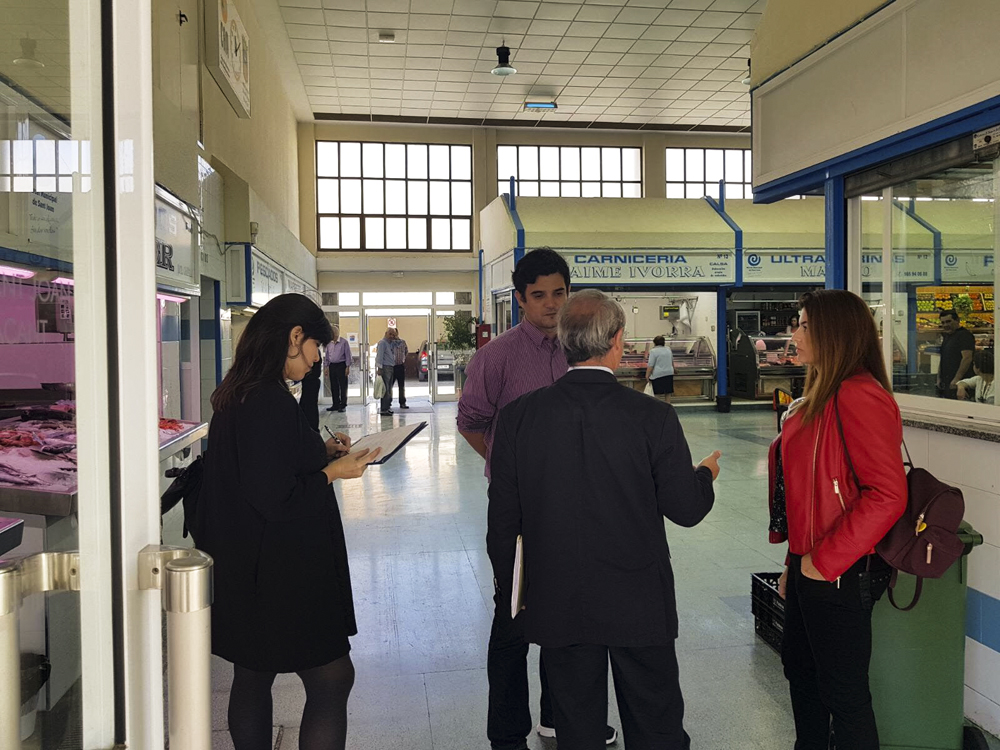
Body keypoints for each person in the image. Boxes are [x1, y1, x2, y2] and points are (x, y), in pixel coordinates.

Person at [487, 289, 721, 750]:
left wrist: (516, 593)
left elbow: (502, 524)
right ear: (617, 341)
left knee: (576, 726)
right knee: (655, 721)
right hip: (638, 598)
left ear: (562, 343)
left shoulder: (518, 418)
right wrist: (704, 476)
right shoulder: (652, 417)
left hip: (558, 598)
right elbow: (686, 510)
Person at [197, 294, 381, 750]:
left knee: (253, 674)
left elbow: (264, 468)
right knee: (332, 678)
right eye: (316, 345)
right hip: (282, 569)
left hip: (247, 564)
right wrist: (332, 472)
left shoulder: (243, 392)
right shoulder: (265, 400)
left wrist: (321, 452)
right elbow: (274, 497)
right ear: (294, 337)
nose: (319, 357)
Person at [458, 248, 619, 749]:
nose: (551, 305)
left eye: (559, 293)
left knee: (569, 614)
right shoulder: (498, 357)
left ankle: (558, 716)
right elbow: (471, 421)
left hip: (579, 508)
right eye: (539, 296)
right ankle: (507, 732)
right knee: (512, 616)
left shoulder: (583, 350)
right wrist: (509, 472)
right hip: (521, 512)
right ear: (521, 298)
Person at [772, 290, 907, 750]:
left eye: (805, 325)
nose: (795, 333)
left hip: (842, 570)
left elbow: (888, 494)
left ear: (834, 334)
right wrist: (796, 561)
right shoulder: (820, 395)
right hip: (810, 562)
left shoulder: (860, 396)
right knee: (802, 675)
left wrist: (824, 561)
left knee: (843, 695)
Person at [937, 310, 975, 399]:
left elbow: (967, 358)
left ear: (957, 320)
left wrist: (957, 379)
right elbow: (943, 357)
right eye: (943, 322)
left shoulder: (964, 335)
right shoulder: (947, 336)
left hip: (959, 383)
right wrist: (939, 377)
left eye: (948, 321)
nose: (945, 325)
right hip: (946, 381)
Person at [325, 326, 351, 413]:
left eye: (334, 334)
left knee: (343, 386)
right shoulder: (329, 343)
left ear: (337, 333)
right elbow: (327, 355)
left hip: (341, 365)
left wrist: (348, 367)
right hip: (332, 365)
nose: (333, 336)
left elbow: (348, 355)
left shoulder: (344, 342)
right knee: (334, 385)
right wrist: (326, 367)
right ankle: (335, 404)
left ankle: (343, 405)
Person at [646, 335, 675, 403]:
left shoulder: (653, 351)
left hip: (658, 374)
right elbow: (671, 361)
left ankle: (658, 409)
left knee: (657, 394)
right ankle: (668, 408)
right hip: (669, 373)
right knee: (668, 393)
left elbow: (651, 365)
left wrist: (647, 375)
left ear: (655, 343)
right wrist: (674, 369)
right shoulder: (668, 349)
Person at [375, 328, 396, 416]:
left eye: (393, 335)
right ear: (385, 333)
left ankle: (387, 407)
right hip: (385, 368)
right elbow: (380, 356)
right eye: (390, 334)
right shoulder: (382, 343)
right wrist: (379, 368)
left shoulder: (389, 343)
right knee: (385, 389)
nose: (392, 336)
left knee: (389, 389)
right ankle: (384, 409)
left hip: (390, 367)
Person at [299, 360, 322, 432]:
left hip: (312, 381)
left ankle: (313, 428)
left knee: (311, 406)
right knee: (304, 405)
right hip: (308, 381)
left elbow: (316, 371)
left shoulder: (313, 354)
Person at [391, 327, 409, 410]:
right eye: (392, 333)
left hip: (400, 366)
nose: (393, 335)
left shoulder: (402, 342)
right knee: (389, 386)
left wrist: (403, 359)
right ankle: (388, 403)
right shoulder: (389, 343)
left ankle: (402, 403)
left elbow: (406, 351)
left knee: (401, 386)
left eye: (394, 333)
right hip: (391, 367)